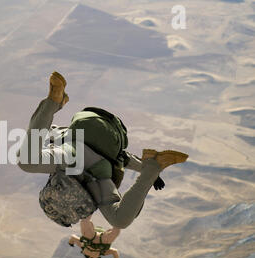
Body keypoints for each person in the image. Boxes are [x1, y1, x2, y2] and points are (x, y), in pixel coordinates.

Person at [17, 71, 188, 234]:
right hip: (84, 157)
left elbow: (123, 157)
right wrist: (148, 170)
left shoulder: (86, 180)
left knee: (120, 220)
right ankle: (55, 100)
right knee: (27, 162)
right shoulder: (71, 164)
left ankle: (155, 164)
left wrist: (149, 171)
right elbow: (123, 157)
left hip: (81, 156)